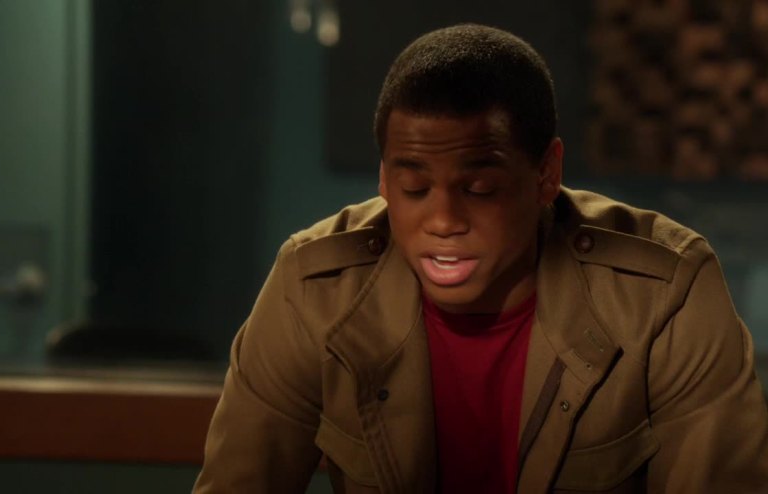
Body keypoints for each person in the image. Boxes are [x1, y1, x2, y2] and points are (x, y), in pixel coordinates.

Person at [193, 24, 768, 493]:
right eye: (414, 189)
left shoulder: (665, 290)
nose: (443, 220)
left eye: (480, 189)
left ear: (546, 175)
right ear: (384, 180)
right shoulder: (316, 285)